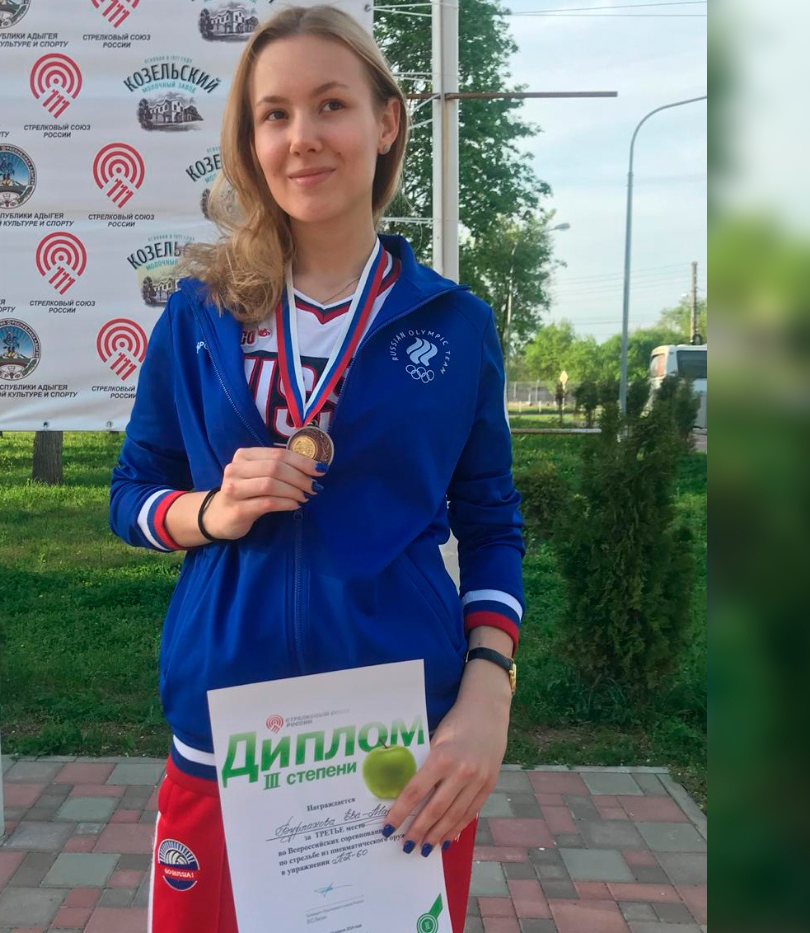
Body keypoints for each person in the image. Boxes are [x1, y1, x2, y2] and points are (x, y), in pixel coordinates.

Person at [109, 6, 524, 931]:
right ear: (252, 141)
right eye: (275, 114)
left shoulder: (455, 325)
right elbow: (131, 495)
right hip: (227, 733)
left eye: (331, 104)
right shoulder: (199, 314)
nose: (302, 137)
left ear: (386, 122)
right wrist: (211, 511)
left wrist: (488, 692)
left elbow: (492, 523)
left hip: (400, 739)